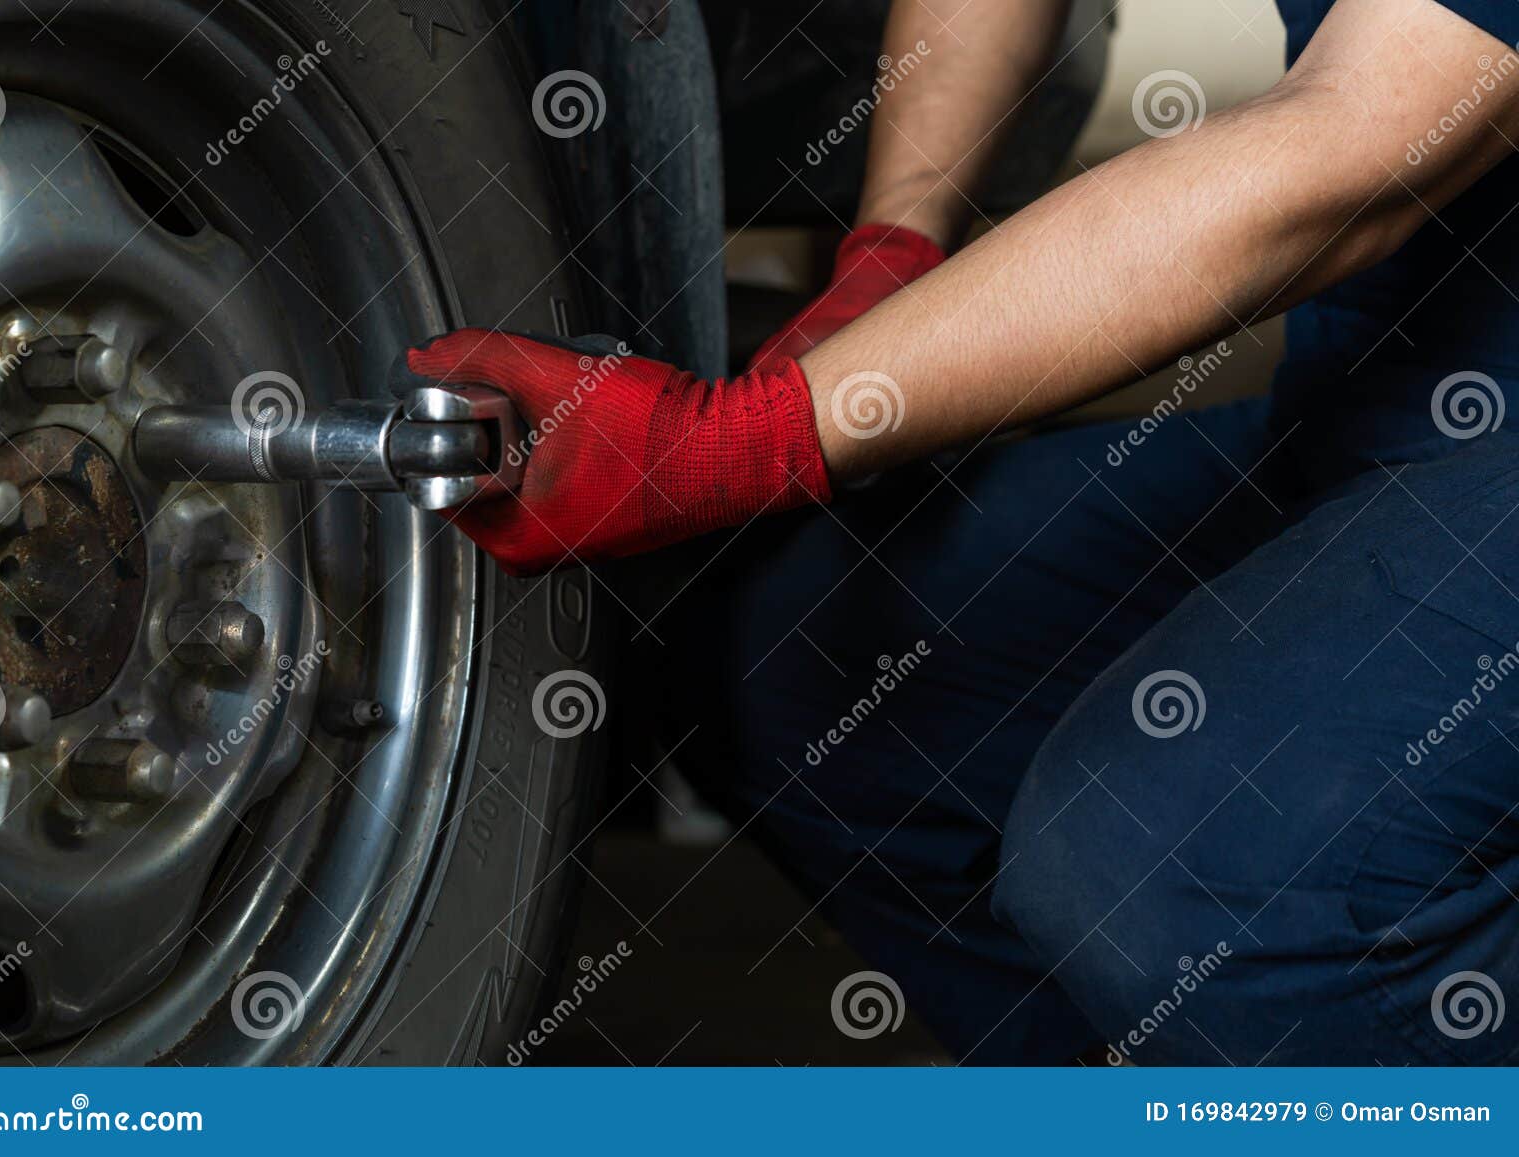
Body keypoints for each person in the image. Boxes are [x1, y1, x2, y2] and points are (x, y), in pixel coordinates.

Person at [396, 0, 1519, 1064]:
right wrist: (896, 238)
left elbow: (1350, 155)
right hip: (1388, 393)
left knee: (1182, 867)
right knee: (801, 664)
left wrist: (747, 437)